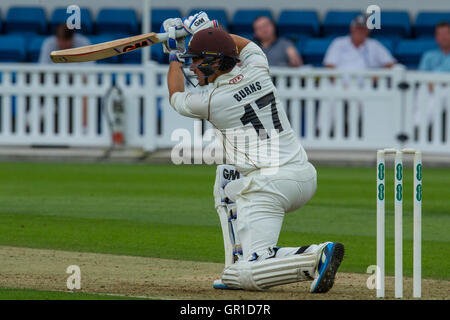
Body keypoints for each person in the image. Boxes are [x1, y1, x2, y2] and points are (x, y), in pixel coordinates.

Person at [161, 12, 344, 292]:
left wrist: (173, 54)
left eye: (196, 61)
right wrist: (210, 30)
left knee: (244, 277)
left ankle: (315, 256)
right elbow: (242, 45)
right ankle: (241, 258)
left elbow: (175, 97)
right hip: (301, 173)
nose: (193, 68)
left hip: (269, 185)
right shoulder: (258, 65)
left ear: (213, 62)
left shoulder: (214, 100)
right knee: (227, 178)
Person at [323, 14, 396, 69]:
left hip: (368, 86)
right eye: (358, 28)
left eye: (363, 28)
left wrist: (377, 77)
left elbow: (390, 63)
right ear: (352, 28)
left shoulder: (374, 45)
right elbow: (329, 65)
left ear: (368, 31)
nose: (360, 31)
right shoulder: (338, 42)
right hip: (341, 86)